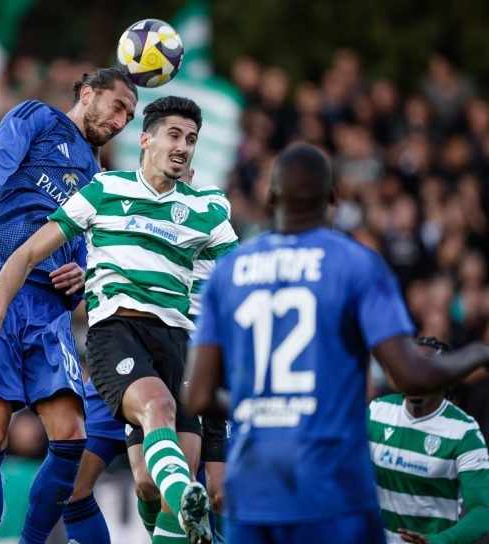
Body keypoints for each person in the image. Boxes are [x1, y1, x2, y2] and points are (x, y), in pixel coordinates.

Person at [0, 95, 239, 544]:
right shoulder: (104, 188)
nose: (183, 146)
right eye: (174, 135)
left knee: (155, 483)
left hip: (184, 346)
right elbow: (28, 249)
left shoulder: (208, 207)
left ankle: (181, 510)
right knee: (143, 429)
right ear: (145, 140)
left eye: (191, 139)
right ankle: (186, 500)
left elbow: (240, 281)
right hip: (120, 337)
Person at [182, 142, 489, 544]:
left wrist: (262, 408)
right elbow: (411, 376)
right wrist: (479, 352)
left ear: (271, 195)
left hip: (254, 490)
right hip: (332, 491)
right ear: (332, 198)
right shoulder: (356, 264)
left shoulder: (229, 272)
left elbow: (197, 397)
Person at [0, 68, 138, 544]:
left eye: (129, 117)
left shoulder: (99, 179)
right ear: (87, 94)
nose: (120, 122)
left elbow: (88, 248)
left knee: (72, 436)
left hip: (48, 305)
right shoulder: (38, 117)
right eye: (117, 107)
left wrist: (82, 275)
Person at [63, 169, 235, 544]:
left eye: (187, 144)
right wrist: (88, 271)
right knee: (126, 483)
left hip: (195, 356)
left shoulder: (208, 208)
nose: (177, 160)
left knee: (212, 492)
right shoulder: (127, 202)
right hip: (134, 346)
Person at [368, 336, 489, 544]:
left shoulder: (464, 431)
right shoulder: (377, 412)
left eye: (427, 371)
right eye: (412, 369)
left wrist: (438, 540)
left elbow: (483, 511)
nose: (418, 380)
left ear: (445, 378)